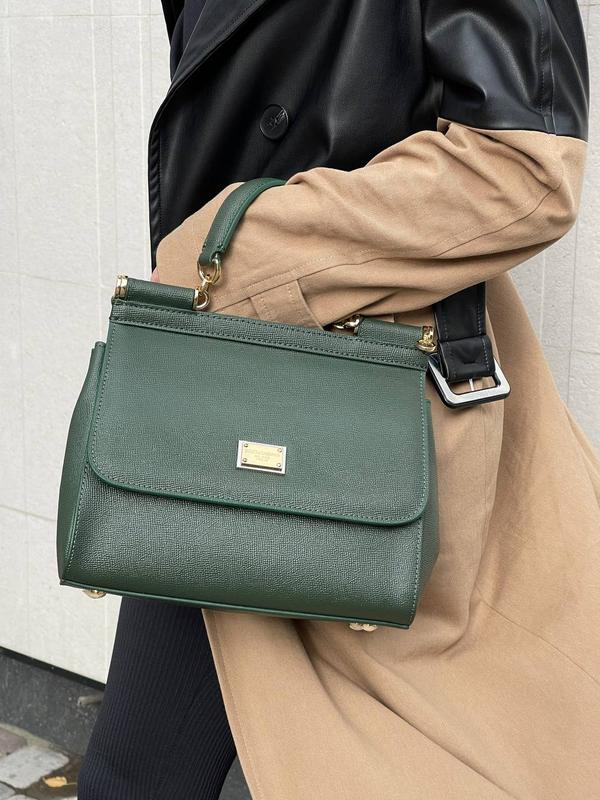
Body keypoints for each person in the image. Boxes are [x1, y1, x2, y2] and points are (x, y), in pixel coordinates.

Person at [79, 2, 600, 799]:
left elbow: (524, 168)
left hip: (369, 408)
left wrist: (237, 254)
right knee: (135, 776)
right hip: (216, 385)